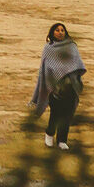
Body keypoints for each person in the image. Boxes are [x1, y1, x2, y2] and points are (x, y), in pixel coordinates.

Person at [29, 22, 86, 150]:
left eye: (62, 30)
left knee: (67, 114)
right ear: (52, 33)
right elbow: (44, 69)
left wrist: (75, 78)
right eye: (57, 30)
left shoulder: (72, 46)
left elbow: (78, 64)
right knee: (55, 113)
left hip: (70, 86)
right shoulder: (48, 48)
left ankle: (62, 140)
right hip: (54, 87)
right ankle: (49, 134)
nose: (60, 32)